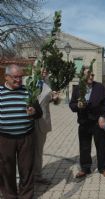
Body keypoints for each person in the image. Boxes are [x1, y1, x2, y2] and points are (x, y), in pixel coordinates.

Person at [0, 64, 42, 199]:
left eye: (20, 77)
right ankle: (10, 195)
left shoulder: (28, 91)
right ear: (6, 77)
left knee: (27, 169)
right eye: (15, 77)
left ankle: (26, 196)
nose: (18, 80)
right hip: (5, 139)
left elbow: (39, 113)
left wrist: (34, 111)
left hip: (26, 137)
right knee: (6, 169)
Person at [69, 66, 105, 179]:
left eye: (92, 74)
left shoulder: (100, 87)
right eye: (88, 74)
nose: (91, 77)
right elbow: (72, 104)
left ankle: (103, 168)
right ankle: (85, 168)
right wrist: (77, 106)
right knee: (84, 147)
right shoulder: (78, 89)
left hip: (98, 121)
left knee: (102, 145)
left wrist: (103, 116)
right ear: (82, 75)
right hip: (84, 122)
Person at [33, 67, 59, 185]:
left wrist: (55, 99)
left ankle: (37, 175)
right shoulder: (27, 81)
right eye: (42, 70)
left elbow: (54, 101)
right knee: (25, 151)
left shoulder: (48, 85)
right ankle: (24, 176)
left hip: (42, 122)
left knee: (38, 151)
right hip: (28, 122)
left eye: (46, 71)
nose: (44, 72)